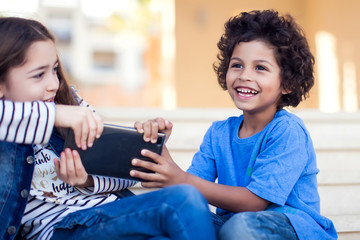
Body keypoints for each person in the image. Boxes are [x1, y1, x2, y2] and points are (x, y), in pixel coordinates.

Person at [0, 17, 216, 240]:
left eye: (54, 70)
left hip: (110, 214)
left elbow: (126, 176)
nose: (54, 83)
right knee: (184, 199)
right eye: (38, 75)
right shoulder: (55, 115)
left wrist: (88, 180)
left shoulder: (68, 103)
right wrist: (57, 115)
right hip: (61, 230)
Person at [132, 10, 338, 240]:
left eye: (260, 68)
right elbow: (189, 191)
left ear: (287, 83)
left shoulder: (288, 131)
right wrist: (160, 152)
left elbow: (255, 202)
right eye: (237, 65)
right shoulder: (218, 133)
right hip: (232, 225)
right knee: (168, 223)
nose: (244, 76)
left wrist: (181, 178)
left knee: (240, 228)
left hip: (291, 229)